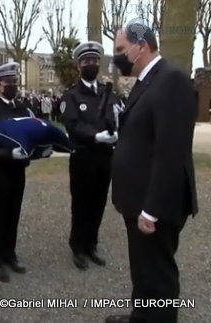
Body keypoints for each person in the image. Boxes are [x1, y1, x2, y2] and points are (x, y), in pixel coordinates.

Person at [106, 21, 198, 323]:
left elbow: (170, 152)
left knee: (157, 278)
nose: (117, 56)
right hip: (139, 200)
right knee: (143, 271)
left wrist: (152, 210)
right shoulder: (149, 81)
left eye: (121, 49)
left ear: (141, 45)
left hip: (155, 206)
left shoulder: (171, 80)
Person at [0, 62, 51, 283]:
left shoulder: (23, 108)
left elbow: (33, 133)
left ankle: (10, 254)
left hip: (17, 172)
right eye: (8, 82)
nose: (13, 85)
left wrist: (41, 149)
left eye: (15, 81)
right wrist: (8, 154)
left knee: (13, 214)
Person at [61, 41, 121, 270]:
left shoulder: (108, 94)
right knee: (81, 203)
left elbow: (116, 119)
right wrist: (96, 136)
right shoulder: (72, 96)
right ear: (79, 65)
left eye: (95, 61)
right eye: (86, 61)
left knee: (98, 202)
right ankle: (78, 246)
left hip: (105, 158)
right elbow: (73, 125)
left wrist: (116, 134)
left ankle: (92, 244)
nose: (91, 64)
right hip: (83, 158)